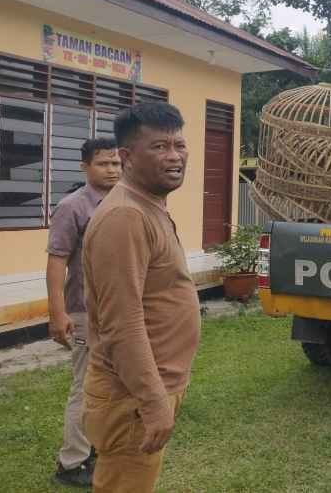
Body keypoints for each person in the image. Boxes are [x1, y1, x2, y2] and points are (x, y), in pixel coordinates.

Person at [81, 102, 201, 492]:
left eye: (179, 145)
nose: (175, 156)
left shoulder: (149, 206)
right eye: (159, 147)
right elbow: (123, 324)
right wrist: (152, 403)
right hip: (130, 397)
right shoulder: (125, 217)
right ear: (127, 156)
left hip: (146, 389)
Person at [47, 137, 122, 487]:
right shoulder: (72, 206)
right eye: (104, 164)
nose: (112, 170)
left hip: (118, 312)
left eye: (117, 163)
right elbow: (57, 261)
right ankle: (71, 462)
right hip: (84, 312)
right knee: (84, 385)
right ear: (85, 166)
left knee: (110, 383)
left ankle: (94, 447)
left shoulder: (123, 202)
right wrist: (57, 313)